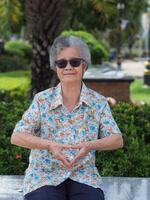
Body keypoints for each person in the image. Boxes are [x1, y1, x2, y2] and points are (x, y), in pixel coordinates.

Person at [11, 35, 124, 200]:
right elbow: (17, 136)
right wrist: (49, 145)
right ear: (56, 67)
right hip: (44, 176)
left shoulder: (98, 102)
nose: (68, 67)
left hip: (83, 175)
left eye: (75, 62)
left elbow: (117, 139)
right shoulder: (42, 100)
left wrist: (90, 146)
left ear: (84, 66)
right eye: (61, 63)